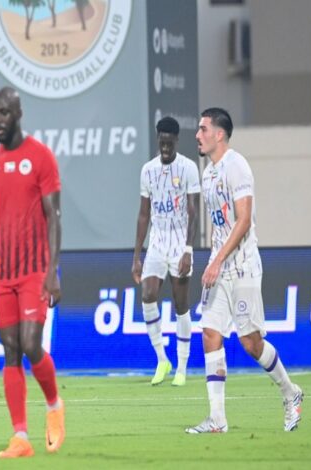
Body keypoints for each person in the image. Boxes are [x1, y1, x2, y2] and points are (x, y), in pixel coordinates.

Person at [0, 86, 64, 458]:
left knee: (32, 343)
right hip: (2, 272)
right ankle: (20, 436)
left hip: (35, 269)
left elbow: (54, 216)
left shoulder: (40, 157)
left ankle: (53, 406)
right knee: (11, 350)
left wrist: (53, 270)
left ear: (18, 114)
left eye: (4, 113)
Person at [187, 108, 303, 433]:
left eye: (203, 129)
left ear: (219, 134)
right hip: (220, 267)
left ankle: (290, 392)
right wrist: (213, 260)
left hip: (243, 267)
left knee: (251, 343)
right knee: (209, 332)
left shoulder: (237, 166)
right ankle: (218, 419)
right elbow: (220, 225)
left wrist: (217, 260)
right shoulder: (208, 174)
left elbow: (243, 220)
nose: (197, 135)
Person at [132, 116, 200, 386]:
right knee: (148, 295)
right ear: (158, 139)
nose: (165, 148)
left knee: (181, 305)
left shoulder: (189, 168)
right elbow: (143, 214)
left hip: (180, 242)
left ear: (176, 141)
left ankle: (182, 367)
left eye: (169, 144)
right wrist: (137, 255)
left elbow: (194, 212)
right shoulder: (147, 170)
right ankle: (162, 359)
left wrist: (188, 250)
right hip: (157, 243)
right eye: (161, 143)